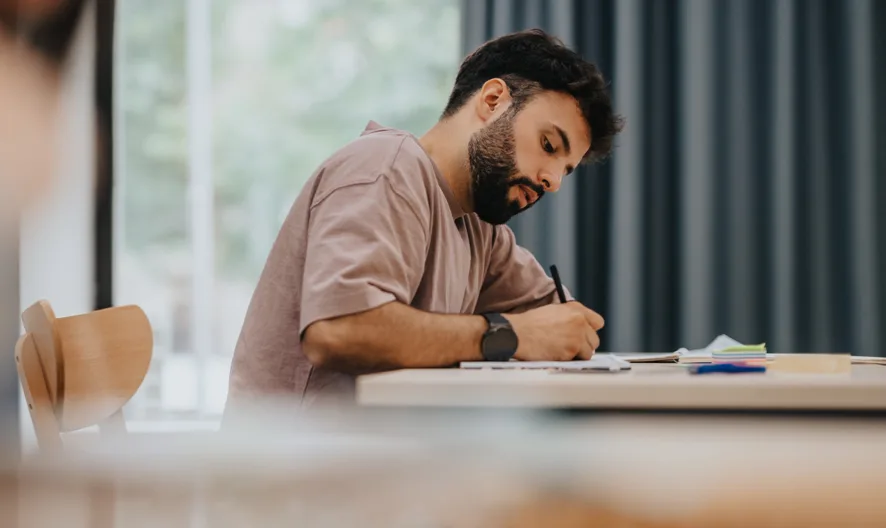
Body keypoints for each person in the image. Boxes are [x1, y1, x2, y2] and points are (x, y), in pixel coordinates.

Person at [224, 29, 624, 410]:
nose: (552, 181)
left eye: (565, 170)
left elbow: (560, 318)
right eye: (548, 145)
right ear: (493, 100)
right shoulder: (384, 169)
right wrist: (513, 334)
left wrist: (566, 327)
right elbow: (338, 329)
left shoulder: (480, 229)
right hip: (294, 469)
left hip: (375, 465)